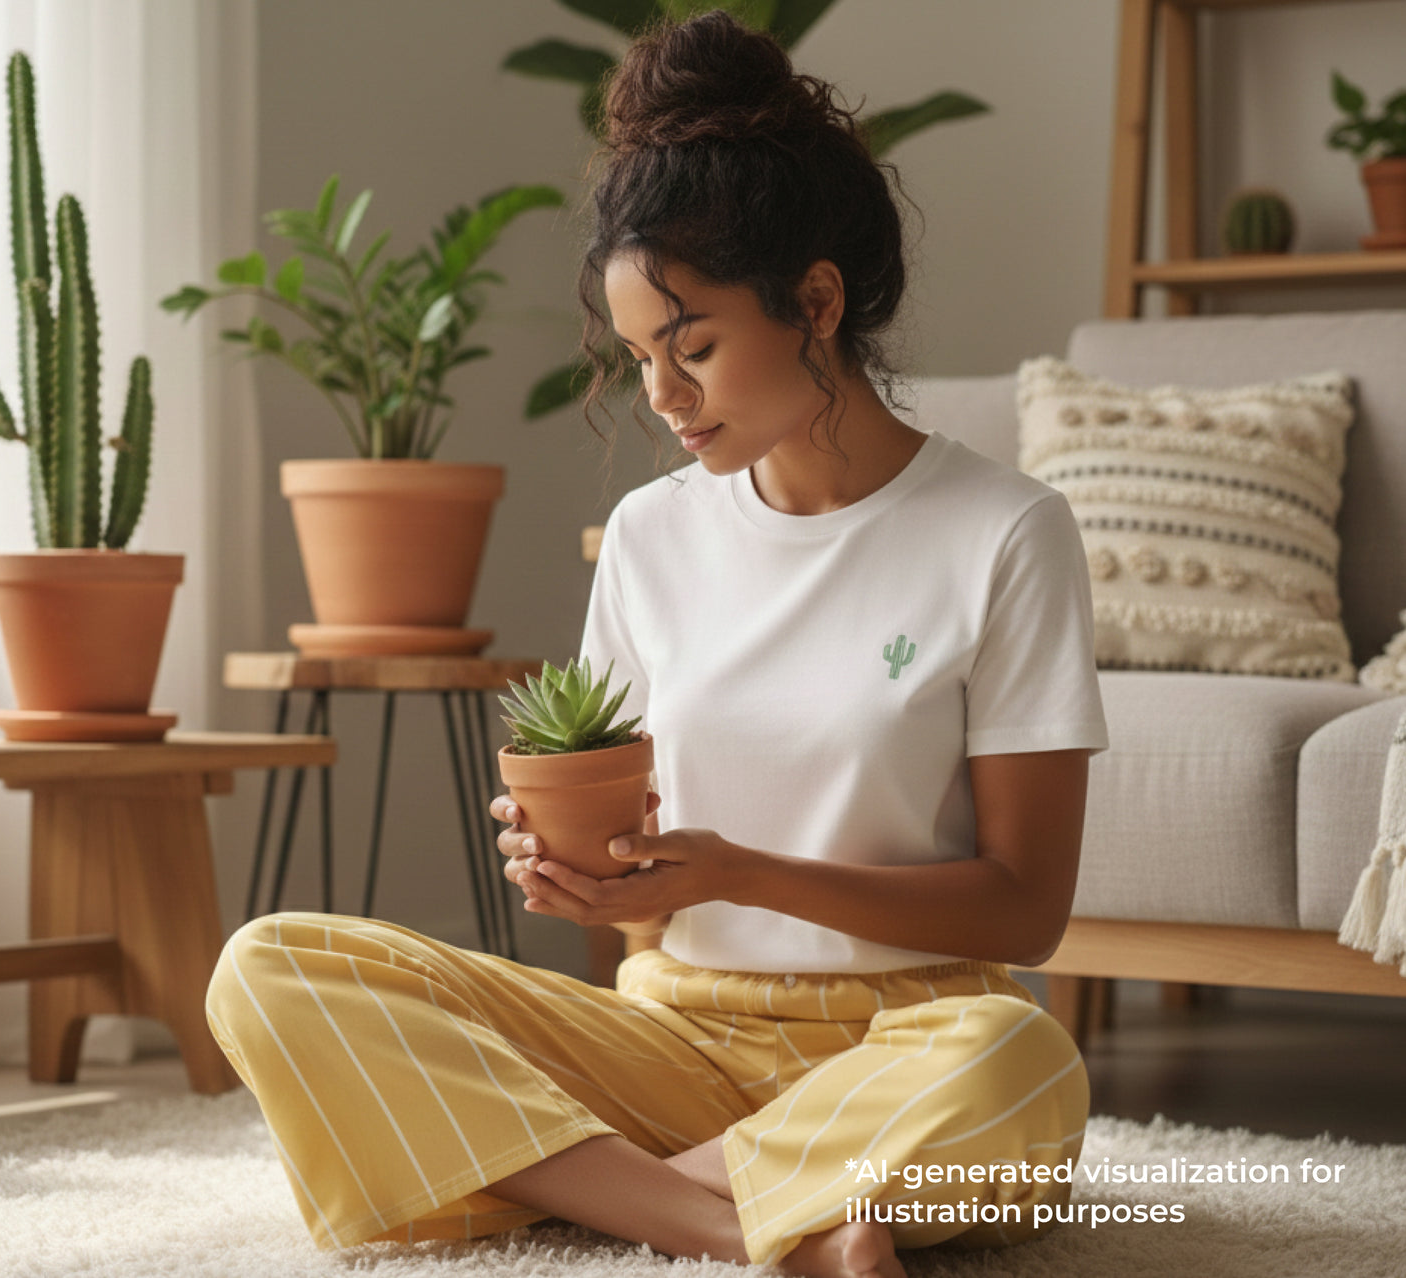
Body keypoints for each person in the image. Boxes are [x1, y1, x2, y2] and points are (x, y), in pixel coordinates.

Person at [205, 11, 1109, 1278]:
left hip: (904, 1041)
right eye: (640, 358)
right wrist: (571, 857)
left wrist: (736, 871)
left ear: (814, 301)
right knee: (271, 968)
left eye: (692, 348)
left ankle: (604, 1194)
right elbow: (630, 839)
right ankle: (745, 1217)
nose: (663, 399)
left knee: (1019, 1063)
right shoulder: (648, 537)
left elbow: (1028, 907)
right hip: (669, 1041)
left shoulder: (1004, 532)